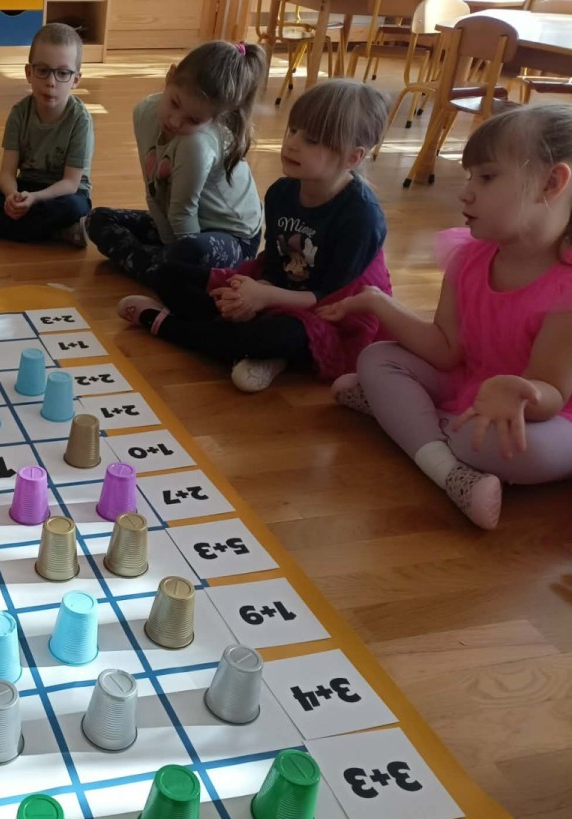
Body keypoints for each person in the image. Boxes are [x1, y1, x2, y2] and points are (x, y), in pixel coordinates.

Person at [325, 106, 572, 530]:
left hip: (547, 419)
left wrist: (522, 394)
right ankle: (446, 466)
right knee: (378, 358)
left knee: (503, 445)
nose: (466, 192)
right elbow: (446, 349)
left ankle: (402, 416)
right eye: (470, 176)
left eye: (487, 177)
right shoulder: (469, 258)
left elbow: (554, 394)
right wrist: (379, 303)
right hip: (472, 385)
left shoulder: (565, 290)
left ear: (551, 183)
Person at [116, 79, 391, 393]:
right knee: (168, 275)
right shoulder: (281, 192)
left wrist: (263, 297)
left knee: (279, 335)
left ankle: (166, 326)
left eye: (312, 140)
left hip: (332, 313)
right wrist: (252, 295)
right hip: (279, 291)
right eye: (293, 130)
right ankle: (248, 347)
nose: (292, 143)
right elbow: (273, 264)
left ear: (353, 157)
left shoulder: (362, 217)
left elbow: (328, 297)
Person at [87, 40, 265, 284]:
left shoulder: (197, 144)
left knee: (191, 251)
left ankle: (156, 268)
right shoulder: (144, 112)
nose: (175, 121)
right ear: (170, 77)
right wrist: (170, 253)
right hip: (182, 222)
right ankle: (160, 270)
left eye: (193, 120)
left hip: (234, 237)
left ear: (216, 118)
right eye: (175, 103)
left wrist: (176, 258)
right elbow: (155, 193)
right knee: (98, 219)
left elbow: (182, 213)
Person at [0, 23, 94, 247]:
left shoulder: (80, 120)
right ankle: (58, 232)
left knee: (74, 207)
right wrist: (12, 197)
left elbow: (71, 184)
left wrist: (34, 199)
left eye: (63, 73)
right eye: (43, 70)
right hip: (26, 187)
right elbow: (7, 173)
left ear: (76, 80)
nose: (51, 82)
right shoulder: (19, 113)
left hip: (61, 194)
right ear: (29, 73)